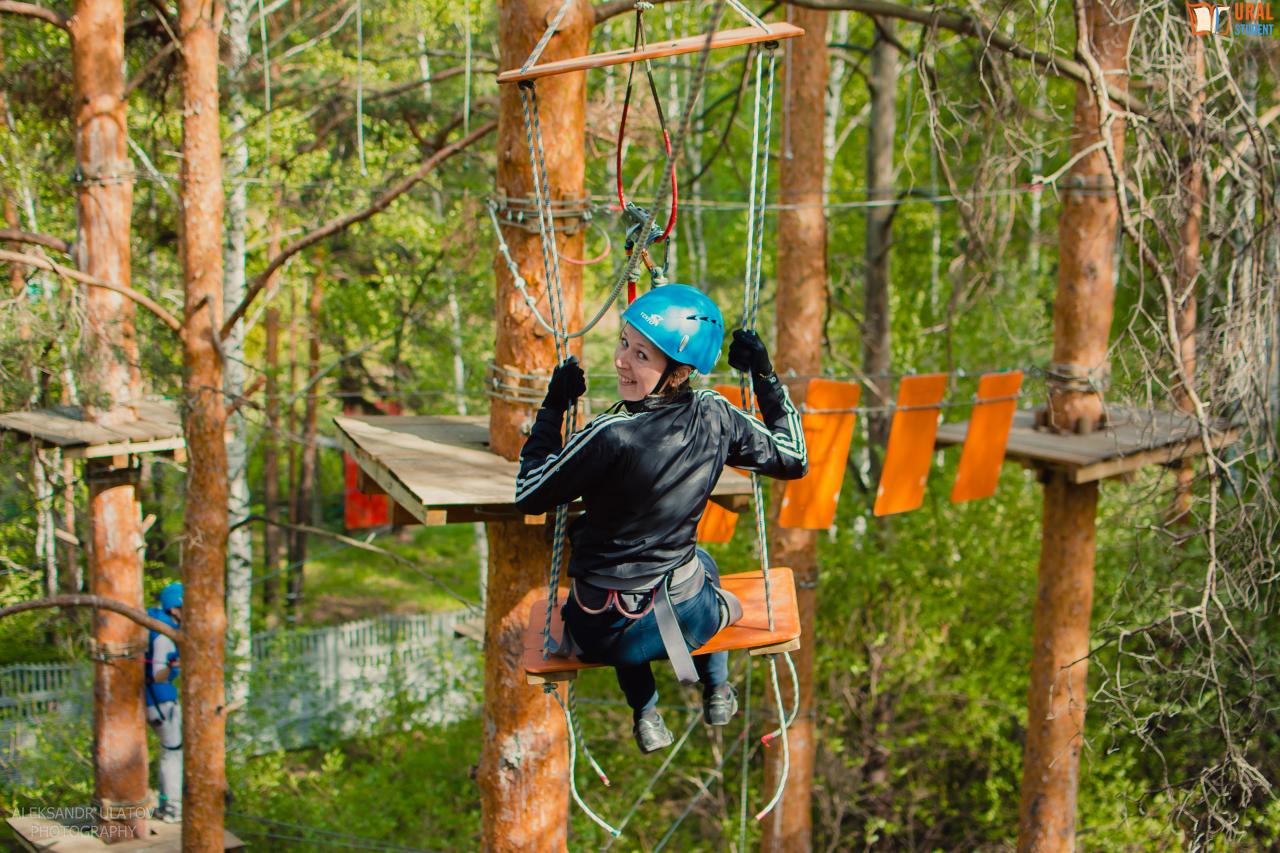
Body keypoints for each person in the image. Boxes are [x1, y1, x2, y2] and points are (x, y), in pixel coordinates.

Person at [515, 284, 807, 753]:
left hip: (602, 632)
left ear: (678, 369)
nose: (621, 361)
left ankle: (646, 712)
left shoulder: (610, 434)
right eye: (624, 343)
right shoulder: (715, 415)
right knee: (703, 572)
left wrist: (553, 408)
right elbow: (794, 458)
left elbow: (529, 492)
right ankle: (716, 687)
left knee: (625, 604)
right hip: (689, 619)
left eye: (641, 355)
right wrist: (764, 376)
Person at [145, 582, 183, 823]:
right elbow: (157, 674)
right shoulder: (164, 636)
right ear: (175, 608)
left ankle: (166, 804)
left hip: (159, 701)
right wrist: (173, 667)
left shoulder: (164, 629)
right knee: (172, 753)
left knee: (170, 752)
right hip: (160, 702)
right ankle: (172, 808)